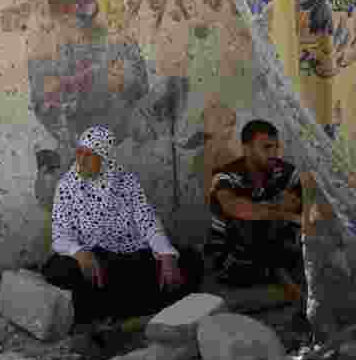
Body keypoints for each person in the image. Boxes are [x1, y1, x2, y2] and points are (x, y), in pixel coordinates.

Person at [42, 125, 204, 326]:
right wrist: (79, 252)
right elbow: (60, 237)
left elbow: (148, 223)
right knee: (58, 270)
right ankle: (138, 307)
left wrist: (166, 254)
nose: (81, 160)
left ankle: (110, 310)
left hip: (130, 257)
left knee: (190, 261)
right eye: (79, 153)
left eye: (90, 155)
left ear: (105, 159)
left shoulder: (127, 183)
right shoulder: (67, 186)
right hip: (93, 259)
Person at [204, 119, 304, 293]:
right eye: (266, 147)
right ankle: (292, 288)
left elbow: (302, 201)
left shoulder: (285, 172)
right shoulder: (225, 176)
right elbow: (236, 208)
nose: (274, 153)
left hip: (272, 249)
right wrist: (284, 213)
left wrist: (269, 210)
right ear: (247, 149)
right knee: (250, 222)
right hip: (231, 258)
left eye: (276, 147)